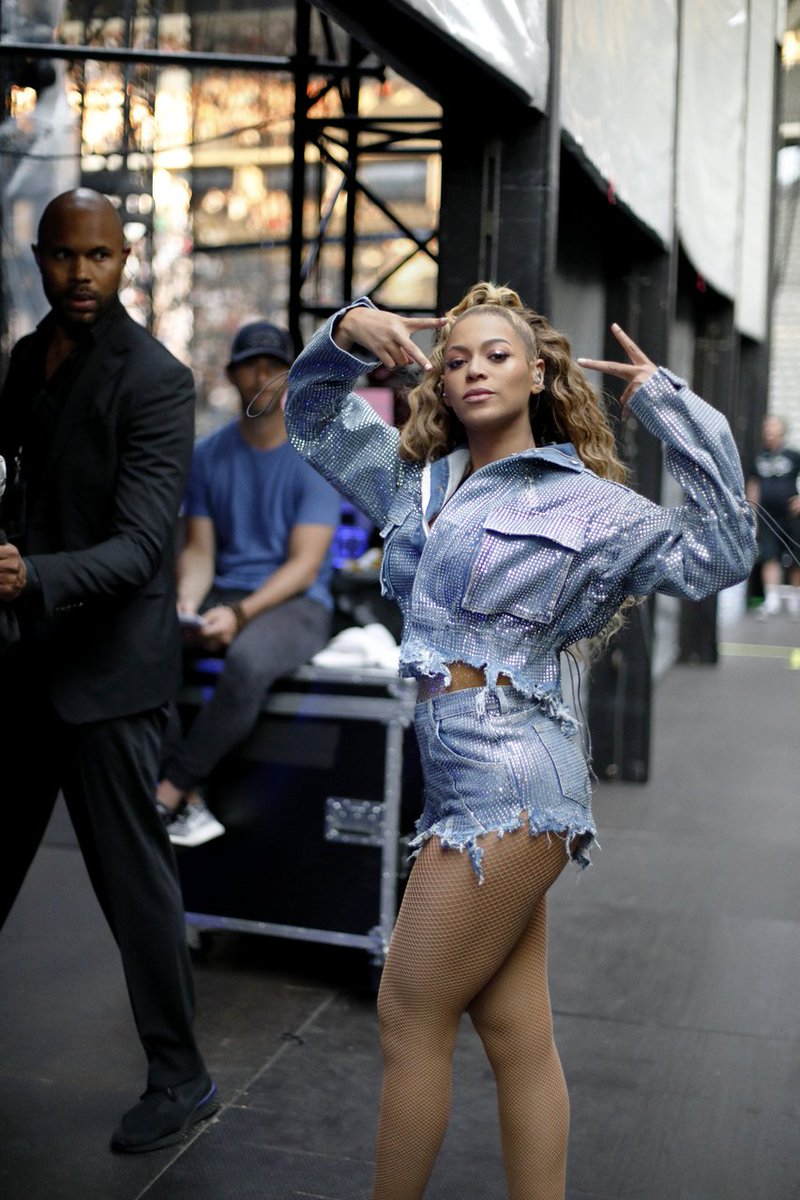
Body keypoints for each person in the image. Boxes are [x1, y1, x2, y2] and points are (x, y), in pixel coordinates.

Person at [283, 282, 757, 1200]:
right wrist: (345, 330)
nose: (473, 370)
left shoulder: (589, 506)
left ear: (538, 374)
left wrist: (671, 408)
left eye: (496, 355)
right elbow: (310, 416)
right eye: (456, 358)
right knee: (517, 1036)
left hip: (516, 784)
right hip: (455, 782)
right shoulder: (415, 482)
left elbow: (721, 555)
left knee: (408, 1010)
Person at [0, 188, 218, 1153]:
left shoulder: (158, 380)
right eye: (64, 255)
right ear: (39, 257)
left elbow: (139, 548)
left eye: (98, 256)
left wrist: (30, 575)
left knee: (135, 889)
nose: (81, 273)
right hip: (25, 664)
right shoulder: (26, 359)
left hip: (112, 676)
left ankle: (183, 1076)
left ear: (125, 259)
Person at [155, 319, 342, 846]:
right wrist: (187, 605)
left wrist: (239, 616)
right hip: (225, 593)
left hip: (297, 603)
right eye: (250, 367)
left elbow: (304, 567)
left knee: (247, 661)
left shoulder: (315, 457)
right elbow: (199, 551)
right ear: (231, 375)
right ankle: (190, 800)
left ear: (290, 377)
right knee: (145, 644)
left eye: (273, 367)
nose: (261, 377)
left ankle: (171, 789)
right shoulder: (207, 455)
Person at [745, 413, 800, 617]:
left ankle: (795, 599)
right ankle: (772, 599)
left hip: (792, 515)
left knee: (796, 555)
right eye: (766, 428)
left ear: (781, 430)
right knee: (769, 555)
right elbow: (753, 485)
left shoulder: (793, 455)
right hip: (767, 517)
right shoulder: (759, 457)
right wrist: (752, 513)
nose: (768, 431)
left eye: (772, 427)